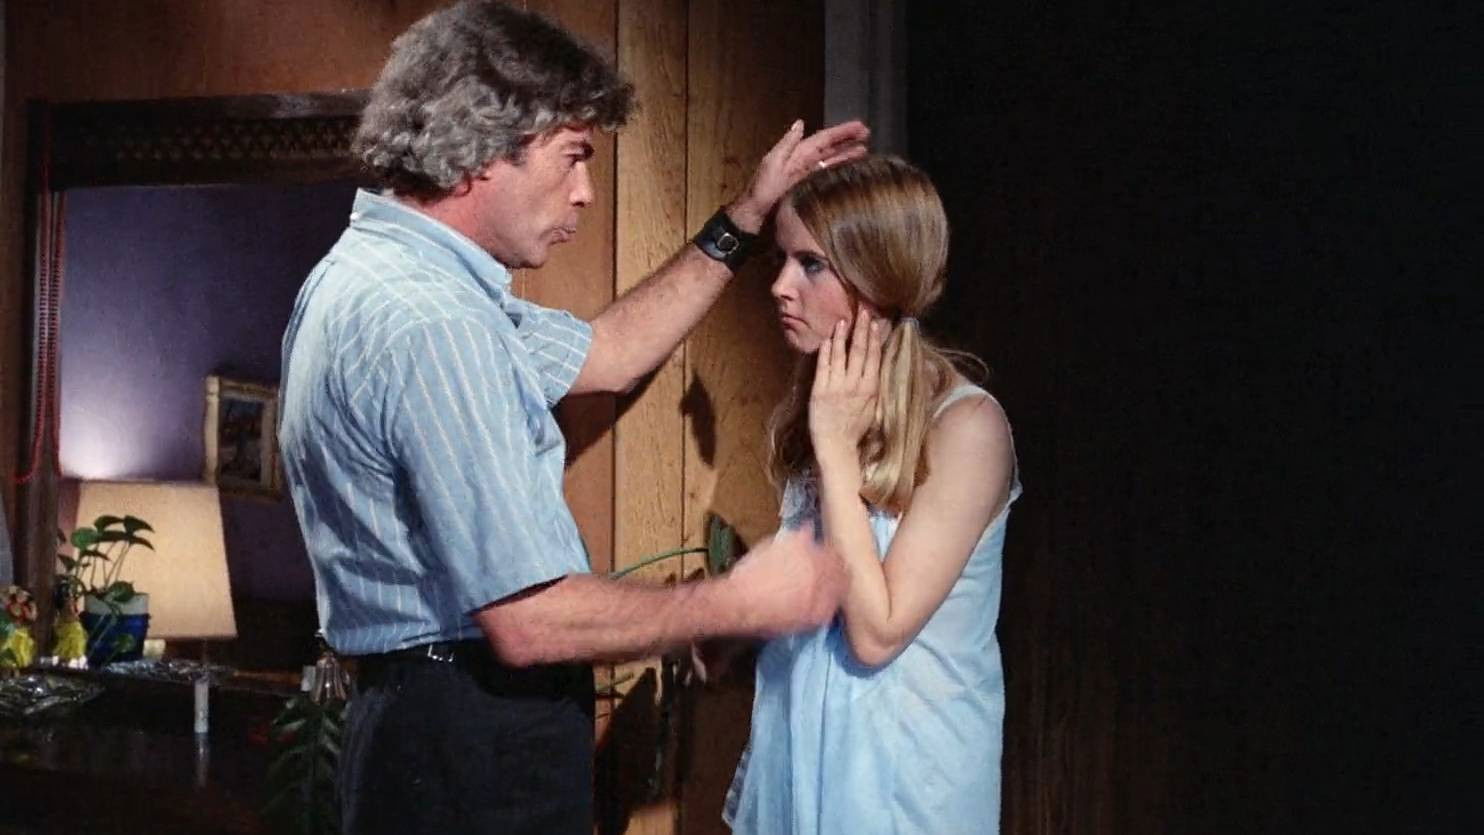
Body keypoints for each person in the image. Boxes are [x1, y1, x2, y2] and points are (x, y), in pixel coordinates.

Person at [275, 2, 867, 833]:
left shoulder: (385, 280)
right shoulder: (432, 323)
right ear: (482, 151)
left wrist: (746, 216)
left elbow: (611, 352)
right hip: (467, 732)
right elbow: (527, 619)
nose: (586, 192)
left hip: (432, 723)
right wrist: (734, 602)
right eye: (573, 157)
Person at [720, 156, 1021, 833]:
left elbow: (877, 633)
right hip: (807, 762)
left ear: (877, 278)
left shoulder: (967, 427)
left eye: (811, 265)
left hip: (903, 788)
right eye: (780, 260)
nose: (780, 287)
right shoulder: (830, 403)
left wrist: (834, 449)